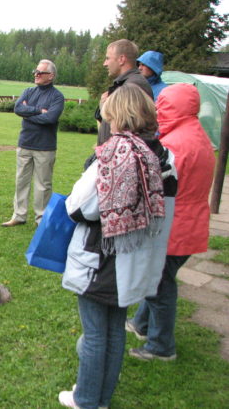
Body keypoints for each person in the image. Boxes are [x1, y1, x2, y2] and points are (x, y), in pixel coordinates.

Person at [58, 84, 177, 408]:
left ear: (118, 114)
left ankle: (86, 399)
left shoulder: (116, 155)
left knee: (97, 333)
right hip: (139, 255)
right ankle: (100, 398)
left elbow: (79, 206)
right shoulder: (163, 155)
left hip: (105, 257)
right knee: (114, 330)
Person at [126, 83, 215, 361]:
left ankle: (161, 346)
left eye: (162, 103)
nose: (157, 108)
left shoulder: (176, 143)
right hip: (190, 222)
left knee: (159, 284)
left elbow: (156, 186)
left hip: (174, 226)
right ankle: (141, 325)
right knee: (158, 278)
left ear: (171, 106)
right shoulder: (196, 134)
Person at [1, 59, 65, 227]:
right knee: (21, 181)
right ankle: (19, 216)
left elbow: (50, 118)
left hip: (45, 147)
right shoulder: (28, 91)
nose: (36, 75)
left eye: (40, 72)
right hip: (25, 144)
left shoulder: (57, 96)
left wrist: (28, 114)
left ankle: (41, 219)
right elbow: (17, 109)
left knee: (43, 185)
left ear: (50, 76)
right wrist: (38, 111)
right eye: (35, 72)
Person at [97, 39, 153, 146]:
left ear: (121, 59)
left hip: (123, 157)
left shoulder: (134, 86)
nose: (105, 63)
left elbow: (128, 128)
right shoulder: (125, 84)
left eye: (108, 58)